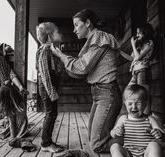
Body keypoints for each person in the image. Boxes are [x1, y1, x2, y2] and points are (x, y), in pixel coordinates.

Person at [50, 9, 122, 153]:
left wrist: (61, 55)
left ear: (88, 23)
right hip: (98, 93)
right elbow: (79, 72)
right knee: (93, 139)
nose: (74, 29)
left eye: (77, 25)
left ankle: (135, 142)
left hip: (108, 93)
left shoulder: (100, 37)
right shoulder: (91, 43)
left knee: (97, 145)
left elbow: (82, 67)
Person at [0, 43, 35, 152]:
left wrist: (13, 139)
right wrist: (20, 86)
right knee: (7, 74)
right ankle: (20, 86)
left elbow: (12, 129)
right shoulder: (18, 101)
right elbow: (11, 74)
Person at [110, 84, 165, 157]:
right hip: (128, 153)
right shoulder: (123, 118)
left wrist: (160, 134)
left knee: (154, 145)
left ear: (145, 104)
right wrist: (116, 132)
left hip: (146, 153)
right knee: (114, 147)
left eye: (138, 103)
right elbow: (112, 133)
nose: (134, 107)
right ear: (125, 104)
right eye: (130, 103)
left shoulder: (150, 119)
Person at [36, 22, 64, 153]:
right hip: (47, 87)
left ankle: (48, 141)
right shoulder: (45, 50)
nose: (60, 34)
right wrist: (51, 91)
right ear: (49, 36)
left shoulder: (51, 50)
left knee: (52, 113)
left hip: (50, 86)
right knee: (50, 113)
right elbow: (45, 74)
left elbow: (56, 69)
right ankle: (45, 143)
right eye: (57, 32)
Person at [129, 23, 154, 114]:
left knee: (143, 95)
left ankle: (146, 117)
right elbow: (132, 58)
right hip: (135, 71)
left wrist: (132, 44)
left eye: (139, 33)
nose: (137, 35)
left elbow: (139, 57)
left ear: (145, 32)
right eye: (137, 33)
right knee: (129, 91)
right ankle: (138, 115)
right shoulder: (140, 45)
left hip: (143, 70)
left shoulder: (149, 43)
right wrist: (119, 52)